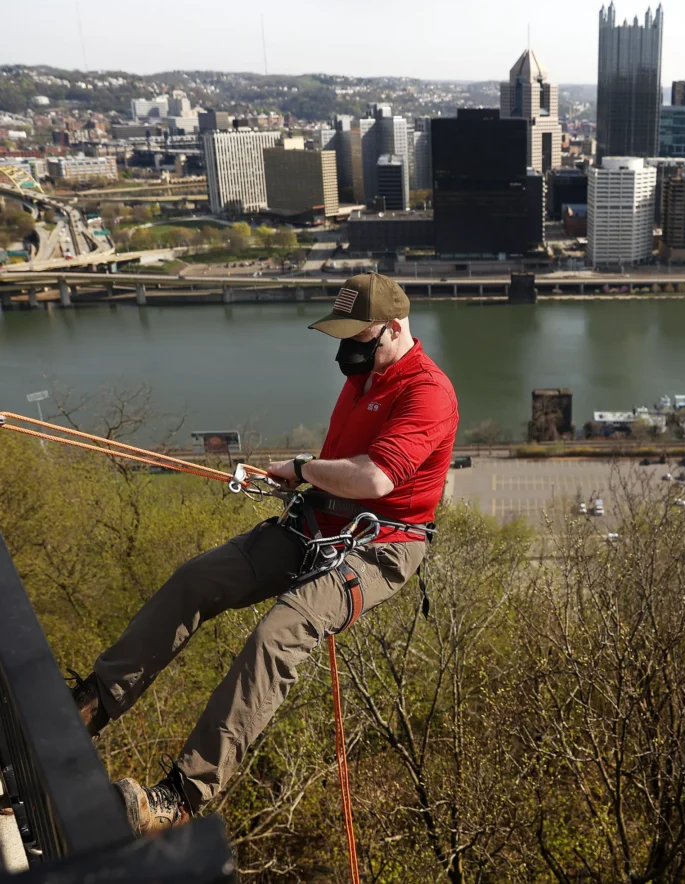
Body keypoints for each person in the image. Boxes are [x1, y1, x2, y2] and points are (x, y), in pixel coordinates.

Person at [71, 273, 459, 834]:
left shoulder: (427, 392)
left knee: (277, 636)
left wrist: (301, 469)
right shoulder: (367, 376)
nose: (345, 350)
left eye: (358, 337)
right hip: (318, 520)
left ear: (394, 331)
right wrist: (302, 480)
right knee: (196, 580)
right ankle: (91, 703)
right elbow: (347, 465)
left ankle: (178, 799)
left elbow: (376, 478)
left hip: (380, 546)